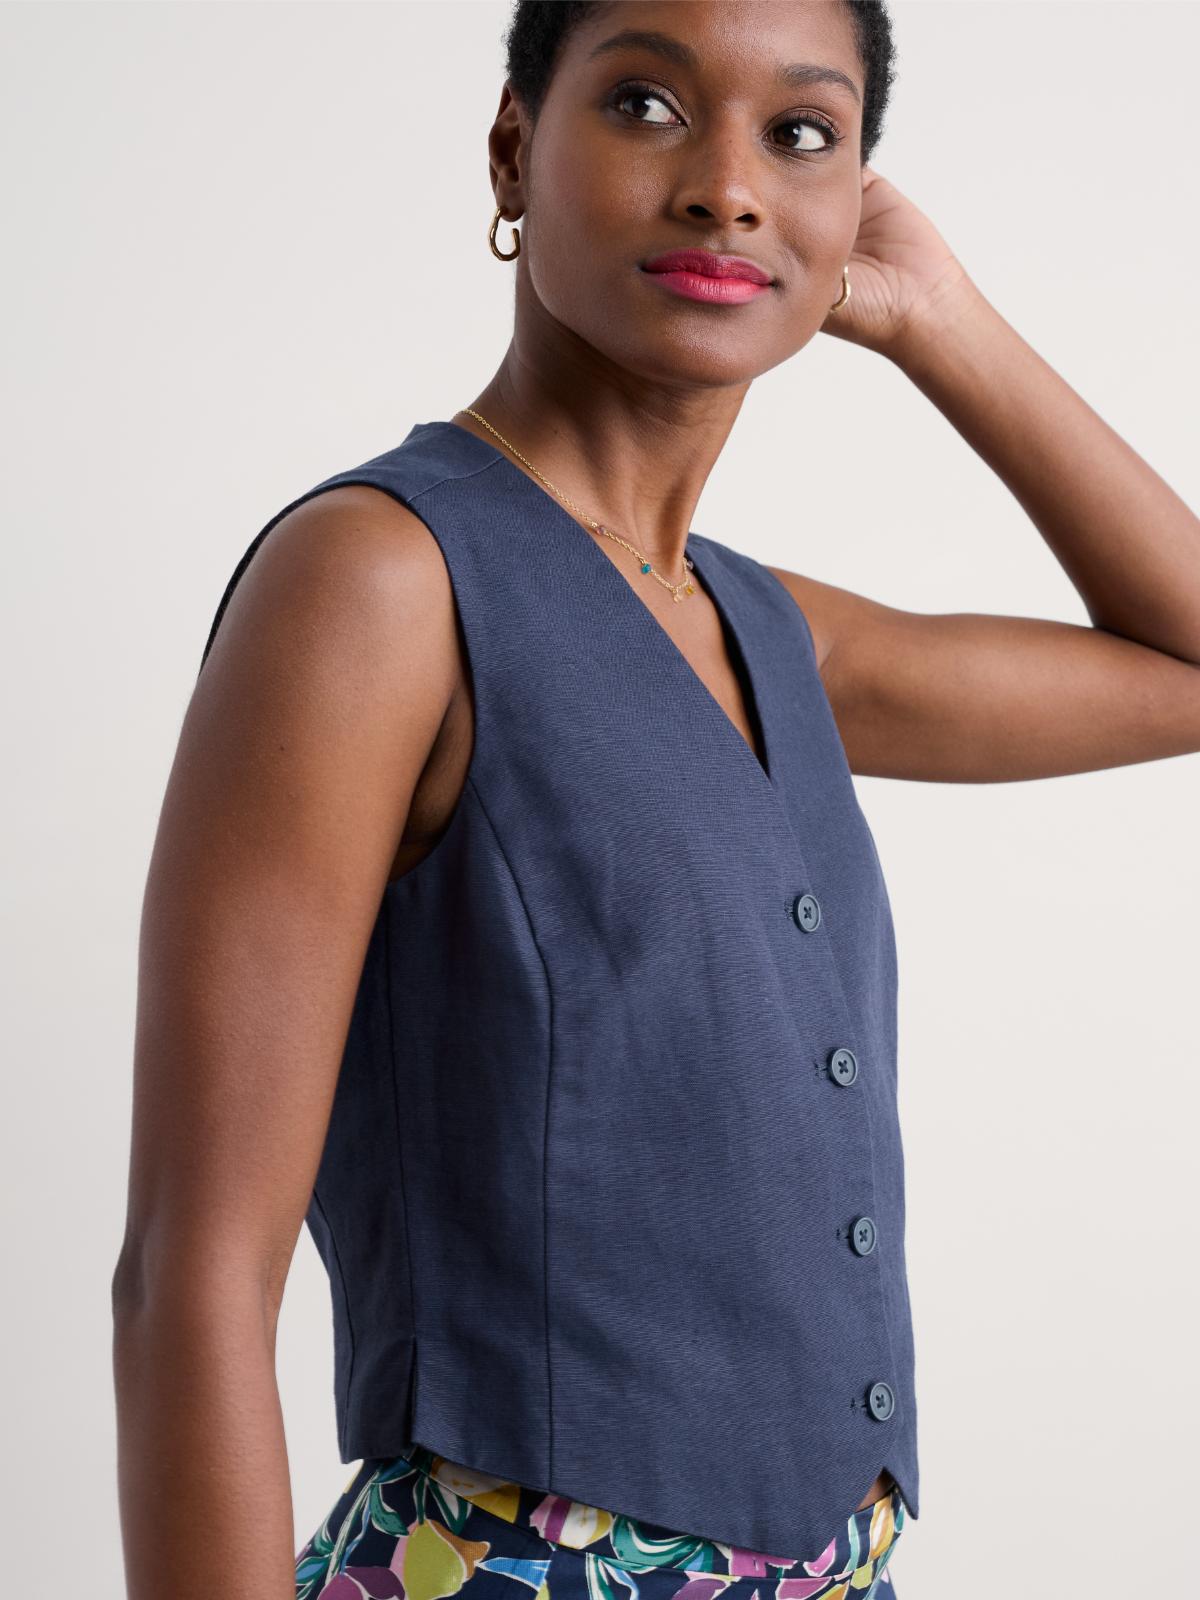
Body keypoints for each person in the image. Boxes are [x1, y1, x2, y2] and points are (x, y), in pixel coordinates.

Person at [112, 3, 1200, 1599]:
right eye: (643, 103)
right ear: (513, 152)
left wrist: (942, 321)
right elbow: (191, 1277)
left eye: (800, 135)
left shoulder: (770, 629)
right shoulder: (380, 584)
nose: (726, 187)